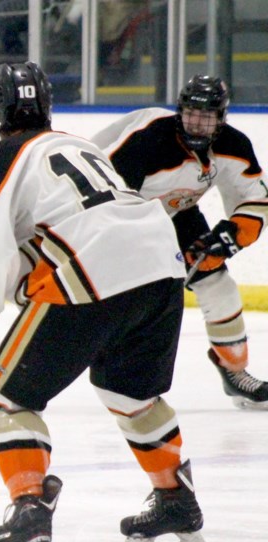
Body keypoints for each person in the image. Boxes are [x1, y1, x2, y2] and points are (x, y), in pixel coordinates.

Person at [0, 61, 206, 542]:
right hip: (163, 265)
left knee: (8, 395)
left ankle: (29, 512)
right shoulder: (79, 145)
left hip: (92, 269)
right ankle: (176, 502)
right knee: (131, 393)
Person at [91, 75, 268, 410]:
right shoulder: (147, 140)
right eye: (190, 113)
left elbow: (255, 200)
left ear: (222, 117)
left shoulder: (233, 146)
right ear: (179, 111)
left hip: (178, 215)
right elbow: (101, 196)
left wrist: (229, 238)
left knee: (219, 285)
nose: (197, 123)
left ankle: (234, 371)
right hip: (121, 221)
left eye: (207, 116)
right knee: (105, 299)